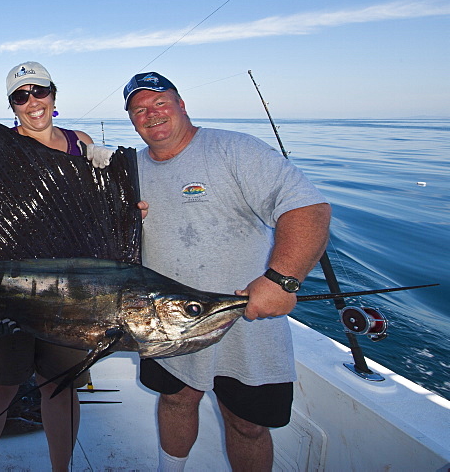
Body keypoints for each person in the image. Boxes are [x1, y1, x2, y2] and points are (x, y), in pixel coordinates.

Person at [121, 72, 331, 472]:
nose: (151, 114)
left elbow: (308, 209)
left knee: (248, 425)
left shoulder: (235, 149)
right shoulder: (128, 169)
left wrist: (281, 279)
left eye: (160, 103)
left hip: (245, 318)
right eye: (139, 109)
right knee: (176, 399)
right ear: (132, 120)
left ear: (181, 104)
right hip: (164, 321)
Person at [0, 61, 95, 472]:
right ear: (12, 105)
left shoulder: (83, 144)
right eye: (21, 96)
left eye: (39, 91)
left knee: (61, 388)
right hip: (7, 290)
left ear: (54, 95)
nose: (32, 102)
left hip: (72, 293)